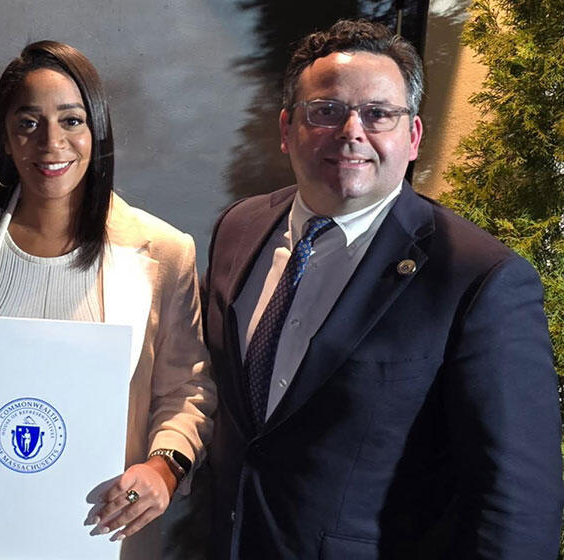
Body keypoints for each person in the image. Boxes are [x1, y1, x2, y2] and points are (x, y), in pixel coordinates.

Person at [201, 19, 563, 558]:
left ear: (412, 136)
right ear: (286, 128)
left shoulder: (479, 279)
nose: (351, 131)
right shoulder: (239, 227)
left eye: (378, 114)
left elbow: (517, 507)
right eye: (326, 111)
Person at [0, 40, 216, 559]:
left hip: (99, 531)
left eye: (71, 121)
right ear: (5, 138)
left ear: (97, 131)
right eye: (28, 123)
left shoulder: (164, 251)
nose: (51, 142)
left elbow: (187, 391)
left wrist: (164, 468)